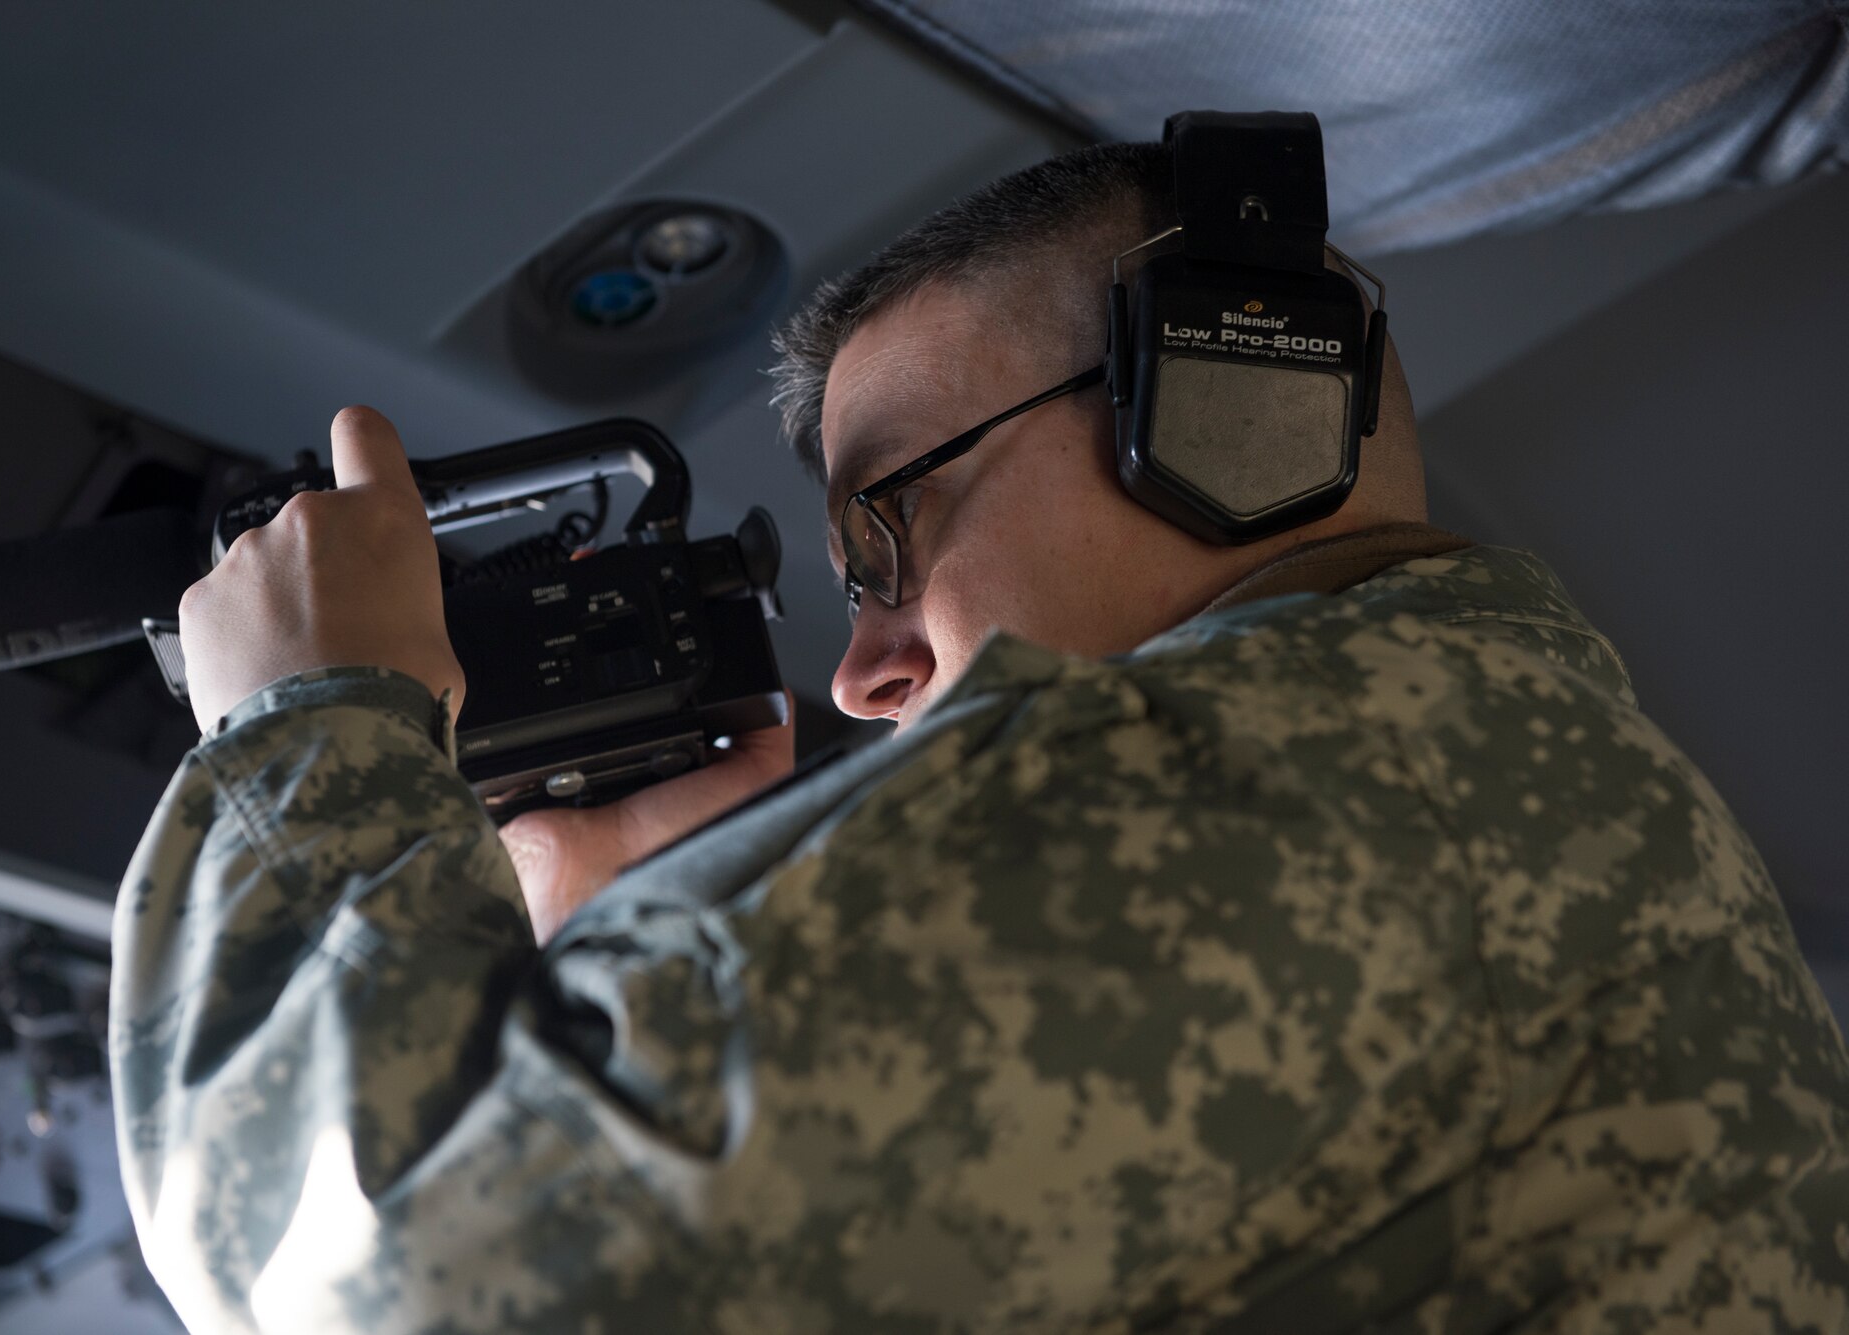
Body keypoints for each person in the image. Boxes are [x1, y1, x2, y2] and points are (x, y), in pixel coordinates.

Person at [110, 140, 1849, 1333]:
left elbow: (407, 1278)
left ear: (1225, 411)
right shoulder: (1485, 787)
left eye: (889, 536)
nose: (861, 672)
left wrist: (302, 730)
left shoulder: (1313, 771)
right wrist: (597, 948)